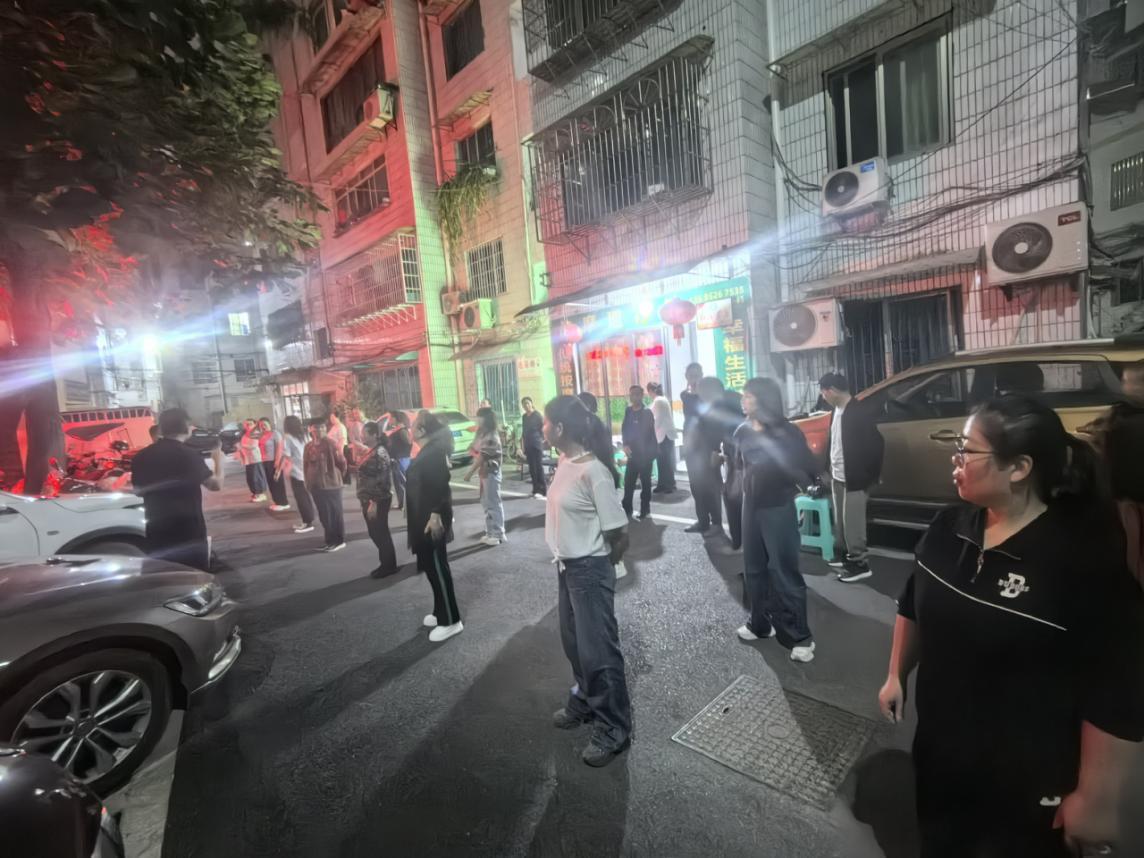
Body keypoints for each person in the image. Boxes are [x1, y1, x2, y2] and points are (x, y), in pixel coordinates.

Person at [878, 394, 1144, 858]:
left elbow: (1116, 688)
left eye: (967, 450)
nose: (955, 459)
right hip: (941, 759)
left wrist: (1097, 795)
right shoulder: (948, 526)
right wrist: (896, 673)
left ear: (1019, 468)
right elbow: (914, 602)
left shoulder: (1079, 559)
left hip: (1027, 786)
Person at [543, 395, 633, 768]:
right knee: (574, 643)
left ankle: (614, 728)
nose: (543, 428)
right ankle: (584, 700)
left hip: (589, 569)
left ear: (560, 428)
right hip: (566, 567)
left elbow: (619, 531)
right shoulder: (566, 462)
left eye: (546, 422)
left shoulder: (595, 472)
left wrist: (602, 565)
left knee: (599, 652)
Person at [734, 377, 818, 662]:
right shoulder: (742, 431)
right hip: (750, 506)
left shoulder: (787, 432)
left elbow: (805, 466)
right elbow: (738, 468)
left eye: (748, 396)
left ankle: (800, 637)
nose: (743, 400)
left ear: (763, 400)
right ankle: (759, 624)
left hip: (778, 506)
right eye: (743, 395)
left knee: (783, 570)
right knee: (753, 568)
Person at [131, 408, 223, 571]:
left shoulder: (141, 456)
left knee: (166, 576)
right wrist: (218, 461)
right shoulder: (188, 455)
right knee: (193, 574)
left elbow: (138, 491)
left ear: (162, 428)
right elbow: (215, 485)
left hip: (156, 528)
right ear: (186, 427)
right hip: (187, 530)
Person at [818, 372, 884, 583]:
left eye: (823, 393)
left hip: (855, 478)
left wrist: (870, 476)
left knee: (853, 525)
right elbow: (834, 443)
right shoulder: (836, 411)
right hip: (838, 476)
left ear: (832, 391)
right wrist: (828, 469)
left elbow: (877, 445)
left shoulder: (858, 412)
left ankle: (859, 564)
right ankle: (845, 556)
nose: (823, 397)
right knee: (841, 522)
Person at [406, 411, 463, 643]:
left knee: (438, 569)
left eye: (413, 426)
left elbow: (441, 486)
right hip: (422, 518)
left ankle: (451, 620)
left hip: (432, 520)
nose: (410, 429)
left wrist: (436, 513)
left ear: (421, 430)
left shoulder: (434, 452)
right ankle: (440, 611)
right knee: (430, 567)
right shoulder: (427, 451)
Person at [1086, 359, 1144, 585]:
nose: (1124, 386)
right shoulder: (1119, 417)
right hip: (1128, 502)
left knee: (1133, 555)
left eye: (1127, 381)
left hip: (1125, 502)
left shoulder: (1117, 419)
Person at [685, 376, 729, 536]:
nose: (696, 389)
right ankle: (703, 521)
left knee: (711, 489)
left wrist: (715, 451)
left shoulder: (717, 406)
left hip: (709, 454)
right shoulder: (698, 404)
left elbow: (718, 430)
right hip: (694, 454)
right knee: (697, 489)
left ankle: (716, 524)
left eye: (700, 387)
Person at [357, 421, 399, 578]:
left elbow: (382, 480)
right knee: (377, 532)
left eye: (364, 433)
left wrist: (373, 502)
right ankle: (387, 564)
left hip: (376, 499)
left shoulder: (379, 453)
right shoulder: (373, 451)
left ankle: (388, 566)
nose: (361, 436)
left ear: (374, 435)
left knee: (379, 532)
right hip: (370, 498)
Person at [304, 418, 347, 552]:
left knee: (334, 514)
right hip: (315, 485)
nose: (320, 430)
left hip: (331, 486)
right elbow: (305, 465)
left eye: (322, 427)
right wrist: (308, 482)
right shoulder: (309, 446)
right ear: (310, 429)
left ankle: (338, 541)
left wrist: (334, 477)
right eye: (316, 427)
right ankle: (329, 540)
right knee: (324, 515)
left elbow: (342, 463)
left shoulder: (331, 444)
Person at [465, 406, 506, 546]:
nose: (477, 419)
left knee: (493, 503)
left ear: (486, 419)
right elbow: (474, 449)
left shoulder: (491, 435)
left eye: (480, 417)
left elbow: (482, 455)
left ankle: (498, 534)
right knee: (486, 503)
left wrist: (469, 472)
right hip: (484, 472)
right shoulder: (482, 433)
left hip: (491, 472)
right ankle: (490, 532)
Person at [620, 384, 656, 520]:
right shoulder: (628, 411)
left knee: (645, 483)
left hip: (645, 454)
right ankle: (627, 509)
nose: (634, 397)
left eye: (636, 394)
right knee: (628, 482)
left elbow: (646, 434)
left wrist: (644, 454)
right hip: (632, 454)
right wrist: (625, 445)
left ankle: (645, 509)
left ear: (641, 395)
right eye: (632, 394)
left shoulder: (647, 412)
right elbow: (624, 429)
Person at [278, 415, 315, 534]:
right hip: (307, 469)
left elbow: (287, 456)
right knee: (306, 496)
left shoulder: (288, 437)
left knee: (301, 498)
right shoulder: (304, 435)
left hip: (296, 471)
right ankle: (308, 520)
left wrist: (284, 470)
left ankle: (307, 523)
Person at [648, 382, 677, 493]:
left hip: (663, 435)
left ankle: (669, 485)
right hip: (666, 435)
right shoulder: (662, 399)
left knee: (664, 461)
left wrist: (650, 432)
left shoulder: (658, 400)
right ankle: (664, 484)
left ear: (651, 391)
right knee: (663, 461)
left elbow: (657, 419)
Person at [258, 417, 291, 512]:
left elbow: (279, 448)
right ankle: (277, 501)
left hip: (274, 461)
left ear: (270, 424)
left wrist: (277, 461)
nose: (263, 427)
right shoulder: (261, 435)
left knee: (277, 482)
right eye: (260, 425)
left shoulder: (275, 434)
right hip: (265, 462)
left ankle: (283, 503)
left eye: (265, 424)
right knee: (271, 482)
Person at [386, 410, 413, 511]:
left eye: (390, 418)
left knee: (402, 482)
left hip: (401, 459)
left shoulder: (401, 430)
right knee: (398, 482)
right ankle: (402, 503)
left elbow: (408, 443)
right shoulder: (397, 430)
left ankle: (406, 504)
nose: (389, 420)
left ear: (395, 418)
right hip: (397, 459)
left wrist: (401, 454)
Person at [521, 397, 547, 499]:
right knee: (532, 468)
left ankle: (543, 489)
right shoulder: (524, 417)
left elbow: (543, 428)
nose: (526, 406)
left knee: (538, 467)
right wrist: (523, 446)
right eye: (524, 404)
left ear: (531, 404)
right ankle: (535, 489)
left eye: (528, 403)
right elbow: (524, 432)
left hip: (536, 444)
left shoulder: (537, 415)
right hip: (528, 445)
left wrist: (542, 440)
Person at [238, 418, 267, 502]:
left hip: (255, 459)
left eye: (250, 424)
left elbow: (253, 445)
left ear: (255, 424)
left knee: (257, 477)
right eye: (246, 424)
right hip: (247, 459)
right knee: (250, 477)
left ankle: (260, 494)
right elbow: (242, 444)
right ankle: (255, 493)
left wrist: (242, 446)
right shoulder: (244, 434)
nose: (248, 426)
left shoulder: (256, 433)